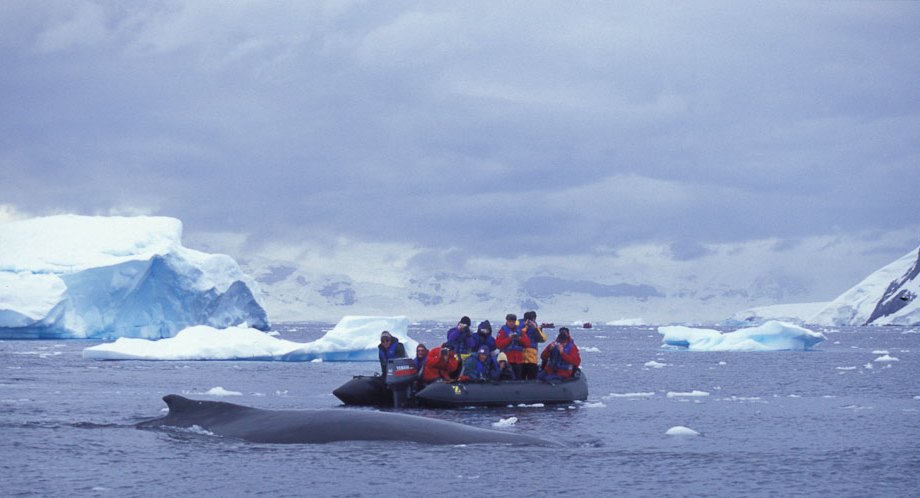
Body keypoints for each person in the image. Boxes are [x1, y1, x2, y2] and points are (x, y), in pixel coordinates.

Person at [496, 313, 530, 379]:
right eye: (509, 321)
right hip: (507, 361)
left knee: (518, 379)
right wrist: (509, 339)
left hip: (518, 361)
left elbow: (528, 344)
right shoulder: (502, 331)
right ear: (507, 321)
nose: (511, 323)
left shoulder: (520, 331)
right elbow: (498, 345)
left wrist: (519, 339)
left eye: (513, 321)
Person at [519, 311, 546, 380]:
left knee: (532, 378)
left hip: (531, 358)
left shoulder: (534, 326)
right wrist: (525, 326)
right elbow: (517, 334)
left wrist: (537, 328)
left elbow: (542, 339)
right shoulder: (520, 324)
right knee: (520, 378)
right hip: (520, 357)